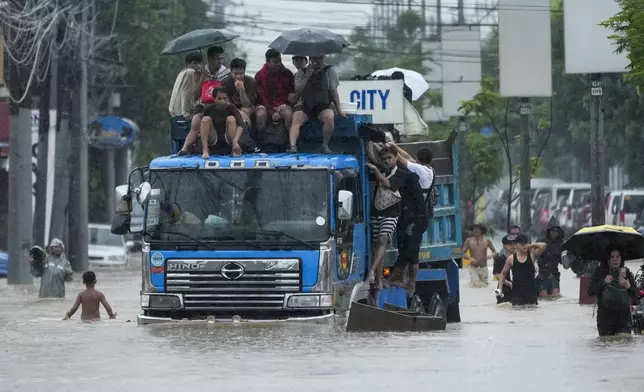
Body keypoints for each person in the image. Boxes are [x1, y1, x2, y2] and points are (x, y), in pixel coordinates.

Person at [383, 143, 435, 293]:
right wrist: (394, 146)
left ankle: (392, 279)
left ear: (419, 159)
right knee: (413, 254)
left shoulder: (418, 170)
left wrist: (387, 149)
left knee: (408, 251)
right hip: (418, 215)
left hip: (415, 216)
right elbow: (406, 157)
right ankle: (409, 282)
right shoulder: (427, 169)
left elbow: (402, 160)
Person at [365, 146, 407, 302]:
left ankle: (372, 271)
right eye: (384, 159)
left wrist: (376, 169)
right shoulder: (381, 169)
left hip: (392, 213)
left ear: (396, 158)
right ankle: (379, 279)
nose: (387, 161)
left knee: (383, 240)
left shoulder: (401, 174)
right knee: (378, 246)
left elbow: (387, 184)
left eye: (389, 158)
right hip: (377, 212)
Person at [288, 54, 346, 154]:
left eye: (320, 58)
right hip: (305, 104)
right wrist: (307, 77)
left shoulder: (330, 70)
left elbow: (333, 91)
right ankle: (293, 146)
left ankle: (325, 145)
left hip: (322, 104)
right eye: (314, 58)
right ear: (310, 59)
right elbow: (297, 90)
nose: (317, 61)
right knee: (296, 118)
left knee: (329, 117)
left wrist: (339, 109)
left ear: (324, 58)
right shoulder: (302, 71)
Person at [179, 87, 244, 158]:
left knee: (231, 119)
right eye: (219, 99)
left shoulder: (232, 108)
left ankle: (234, 149)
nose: (222, 101)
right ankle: (205, 150)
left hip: (228, 137)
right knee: (206, 119)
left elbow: (241, 125)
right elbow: (200, 122)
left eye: (225, 99)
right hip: (214, 137)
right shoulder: (209, 108)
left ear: (228, 99)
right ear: (214, 99)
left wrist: (235, 141)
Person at [588, 246, 638, 337]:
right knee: (608, 347)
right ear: (608, 259)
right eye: (612, 257)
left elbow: (637, 294)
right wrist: (603, 282)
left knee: (623, 347)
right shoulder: (600, 272)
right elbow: (590, 291)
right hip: (605, 321)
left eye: (618, 257)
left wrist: (629, 287)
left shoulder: (625, 272)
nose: (615, 260)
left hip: (624, 321)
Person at [497, 234, 546, 306]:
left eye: (525, 243)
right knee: (518, 314)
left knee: (533, 314)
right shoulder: (511, 259)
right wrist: (500, 288)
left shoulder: (532, 254)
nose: (524, 246)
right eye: (522, 244)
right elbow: (503, 274)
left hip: (531, 292)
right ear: (516, 244)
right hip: (517, 294)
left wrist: (531, 245)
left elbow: (543, 245)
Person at [255, 49, 295, 130]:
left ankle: (288, 138)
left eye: (280, 61)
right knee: (260, 114)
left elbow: (291, 92)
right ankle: (260, 138)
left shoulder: (287, 73)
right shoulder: (259, 75)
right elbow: (262, 97)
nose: (279, 64)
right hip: (265, 103)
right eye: (275, 62)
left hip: (281, 103)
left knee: (288, 114)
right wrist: (272, 112)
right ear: (267, 62)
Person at [169, 52, 202, 135]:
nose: (198, 66)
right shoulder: (190, 72)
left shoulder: (181, 73)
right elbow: (186, 93)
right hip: (183, 114)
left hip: (174, 114)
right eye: (195, 63)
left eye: (199, 63)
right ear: (187, 64)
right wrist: (186, 114)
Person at [221, 58, 257, 123]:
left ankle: (246, 130)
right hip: (231, 106)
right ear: (231, 72)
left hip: (248, 106)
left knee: (245, 110)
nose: (238, 77)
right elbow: (225, 101)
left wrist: (242, 90)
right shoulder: (225, 82)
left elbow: (247, 105)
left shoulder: (251, 81)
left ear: (244, 72)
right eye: (235, 73)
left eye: (241, 74)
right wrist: (235, 110)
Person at [462, 223, 497, 287]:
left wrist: (491, 255)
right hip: (473, 268)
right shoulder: (468, 241)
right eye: (474, 228)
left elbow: (495, 252)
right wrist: (470, 258)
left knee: (484, 287)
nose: (475, 230)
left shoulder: (487, 241)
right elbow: (463, 254)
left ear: (482, 230)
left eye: (478, 228)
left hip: (484, 268)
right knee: (476, 285)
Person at [536, 218, 564, 298]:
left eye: (556, 231)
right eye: (552, 231)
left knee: (555, 294)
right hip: (542, 275)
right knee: (543, 295)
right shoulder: (541, 241)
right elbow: (537, 257)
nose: (554, 233)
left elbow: (562, 261)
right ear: (549, 231)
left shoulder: (560, 244)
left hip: (554, 274)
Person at [493, 235, 516, 304]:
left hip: (517, 288)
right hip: (504, 288)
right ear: (504, 246)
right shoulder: (499, 259)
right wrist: (509, 284)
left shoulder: (519, 258)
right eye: (510, 244)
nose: (513, 246)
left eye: (514, 243)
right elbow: (497, 275)